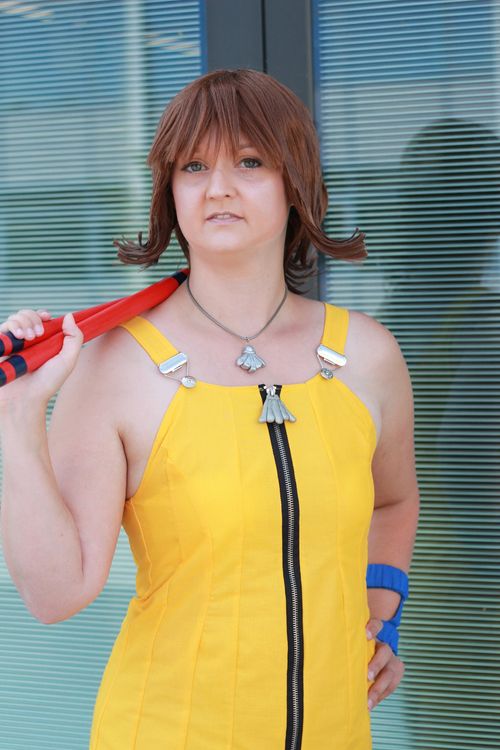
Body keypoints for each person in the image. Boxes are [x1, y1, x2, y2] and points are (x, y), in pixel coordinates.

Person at [0, 68, 419, 749]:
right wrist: (17, 422)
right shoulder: (114, 365)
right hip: (166, 727)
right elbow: (57, 594)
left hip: (337, 729)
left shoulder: (368, 355)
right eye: (193, 166)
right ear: (170, 191)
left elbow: (393, 502)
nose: (218, 187)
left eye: (249, 162)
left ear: (294, 182)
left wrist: (379, 618)